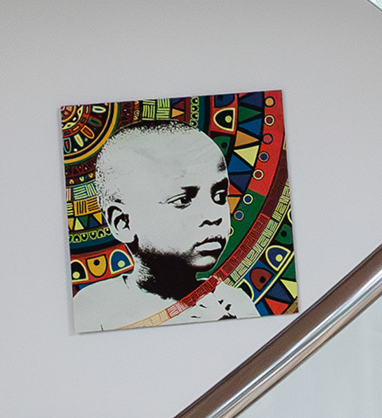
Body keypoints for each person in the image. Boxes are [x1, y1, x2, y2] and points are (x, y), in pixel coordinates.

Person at [68, 119, 259, 331]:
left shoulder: (233, 302)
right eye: (183, 200)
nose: (213, 215)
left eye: (220, 195)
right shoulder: (96, 308)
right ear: (123, 222)